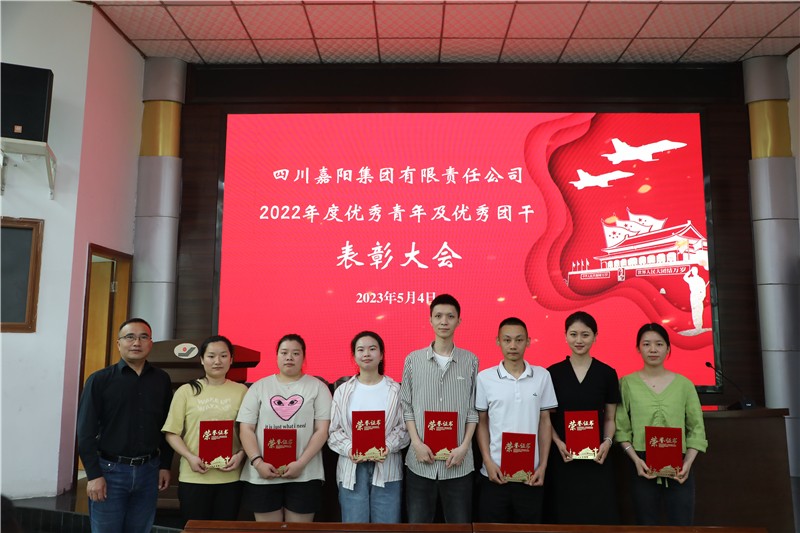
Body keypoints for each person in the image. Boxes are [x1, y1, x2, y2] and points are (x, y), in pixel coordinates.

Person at [77, 318, 174, 533]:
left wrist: (165, 465)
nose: (136, 342)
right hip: (109, 472)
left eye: (143, 337)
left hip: (149, 471)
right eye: (130, 337)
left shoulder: (161, 379)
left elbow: (167, 425)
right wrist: (93, 475)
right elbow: (85, 432)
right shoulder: (99, 380)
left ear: (150, 343)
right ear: (119, 343)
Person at [615, 323, 708, 526]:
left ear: (668, 348)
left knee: (681, 524)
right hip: (642, 463)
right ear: (638, 348)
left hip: (679, 463)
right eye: (646, 344)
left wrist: (687, 463)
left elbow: (696, 428)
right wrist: (635, 460)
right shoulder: (626, 384)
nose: (653, 349)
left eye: (659, 344)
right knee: (646, 523)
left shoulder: (684, 385)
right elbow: (622, 428)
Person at [400, 294, 479, 523]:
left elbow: (473, 410)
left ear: (459, 321)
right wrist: (416, 443)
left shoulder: (471, 360)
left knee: (459, 526)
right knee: (418, 526)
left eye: (450, 316)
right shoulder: (413, 360)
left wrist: (464, 447)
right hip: (420, 462)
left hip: (458, 463)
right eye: (438, 316)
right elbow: (406, 406)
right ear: (430, 320)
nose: (444, 321)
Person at [237, 334, 332, 522]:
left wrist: (301, 463)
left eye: (295, 353)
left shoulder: (318, 387)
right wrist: (258, 463)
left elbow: (322, 430)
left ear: (304, 357)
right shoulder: (259, 387)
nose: (289, 357)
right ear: (277, 356)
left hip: (305, 473)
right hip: (263, 473)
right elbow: (246, 429)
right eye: (284, 352)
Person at [475, 316, 558, 523]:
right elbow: (482, 423)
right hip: (495, 474)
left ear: (528, 342)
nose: (513, 345)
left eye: (519, 340)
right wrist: (488, 462)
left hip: (531, 476)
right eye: (507, 340)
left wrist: (543, 466)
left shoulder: (542, 376)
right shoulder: (485, 378)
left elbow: (545, 422)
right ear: (498, 341)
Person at [162, 335, 248, 523]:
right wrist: (190, 457)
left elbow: (249, 431)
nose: (217, 361)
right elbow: (171, 433)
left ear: (231, 359)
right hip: (194, 476)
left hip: (230, 477)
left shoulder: (242, 391)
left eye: (223, 356)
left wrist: (241, 455)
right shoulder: (186, 391)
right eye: (211, 356)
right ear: (202, 359)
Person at [546, 311, 621, 524]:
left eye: (585, 335)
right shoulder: (552, 374)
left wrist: (607, 442)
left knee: (597, 515)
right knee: (563, 515)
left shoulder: (607, 373)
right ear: (565, 336)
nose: (579, 340)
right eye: (573, 334)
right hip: (563, 457)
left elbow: (610, 418)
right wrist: (558, 442)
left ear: (595, 336)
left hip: (597, 458)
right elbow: (546, 419)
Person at [328, 331, 410, 522]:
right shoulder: (343, 391)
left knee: (387, 527)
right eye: (361, 349)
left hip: (387, 468)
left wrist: (386, 447)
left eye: (372, 349)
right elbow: (334, 431)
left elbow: (404, 428)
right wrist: (350, 449)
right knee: (354, 527)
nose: (366, 354)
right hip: (351, 469)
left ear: (381, 355)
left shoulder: (395, 390)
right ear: (354, 356)